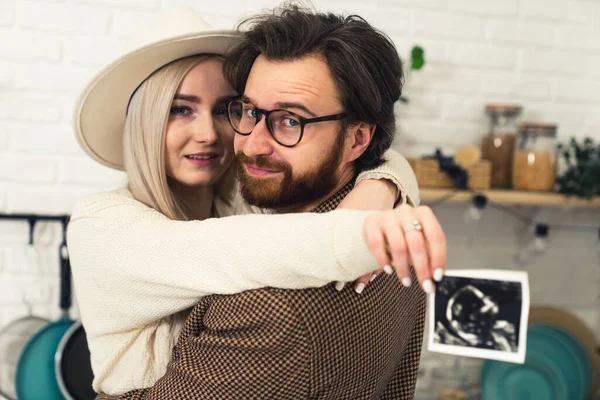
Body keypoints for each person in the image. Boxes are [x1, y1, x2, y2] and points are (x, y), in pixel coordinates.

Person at [67, 5, 446, 397]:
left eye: (289, 120)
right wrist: (375, 206)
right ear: (144, 119)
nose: (225, 138)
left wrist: (383, 186)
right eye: (180, 109)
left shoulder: (263, 276)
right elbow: (225, 250)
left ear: (358, 139)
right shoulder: (104, 227)